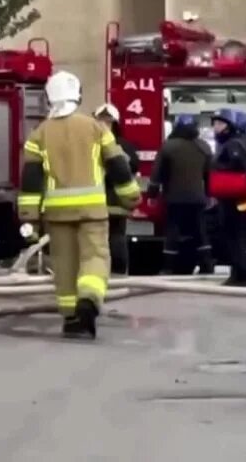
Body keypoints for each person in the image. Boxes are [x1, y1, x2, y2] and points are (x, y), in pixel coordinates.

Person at [18, 71, 141, 339]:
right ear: (78, 95)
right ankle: (89, 300)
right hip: (93, 212)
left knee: (64, 265)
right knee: (95, 257)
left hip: (57, 214)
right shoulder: (96, 128)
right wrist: (131, 196)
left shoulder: (38, 135)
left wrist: (29, 218)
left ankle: (72, 318)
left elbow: (31, 180)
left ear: (50, 98)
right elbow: (118, 166)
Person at [146, 114, 215, 274]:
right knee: (200, 231)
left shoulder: (168, 146)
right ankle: (207, 265)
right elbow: (209, 175)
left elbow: (157, 174)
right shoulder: (204, 147)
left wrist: (152, 195)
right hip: (198, 198)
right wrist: (210, 195)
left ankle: (168, 267)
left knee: (172, 231)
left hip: (174, 198)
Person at [209, 109, 246, 286]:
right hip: (231, 198)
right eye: (215, 123)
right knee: (235, 235)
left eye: (220, 124)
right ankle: (238, 272)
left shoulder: (234, 145)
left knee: (236, 235)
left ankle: (241, 274)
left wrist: (223, 173)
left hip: (235, 199)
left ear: (229, 126)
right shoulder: (234, 143)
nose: (216, 127)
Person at [92, 103, 141, 277]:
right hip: (111, 201)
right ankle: (115, 273)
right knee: (114, 237)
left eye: (107, 122)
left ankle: (112, 272)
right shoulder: (124, 146)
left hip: (101, 202)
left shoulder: (92, 145)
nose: (104, 125)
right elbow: (133, 167)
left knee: (109, 238)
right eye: (101, 122)